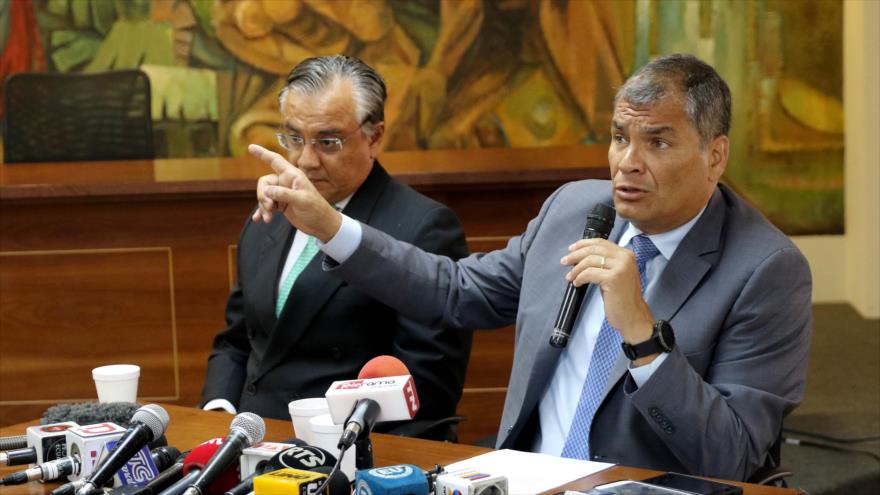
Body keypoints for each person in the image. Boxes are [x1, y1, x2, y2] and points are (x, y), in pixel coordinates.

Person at [248, 54, 812, 480]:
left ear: (715, 155)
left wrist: (644, 337)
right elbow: (454, 290)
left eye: (658, 143)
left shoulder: (766, 270)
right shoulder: (574, 210)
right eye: (620, 137)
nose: (628, 163)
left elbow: (732, 456)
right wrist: (328, 225)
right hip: (521, 478)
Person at [201, 55, 473, 441]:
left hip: (345, 448)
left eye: (328, 142)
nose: (306, 160)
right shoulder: (269, 216)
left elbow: (427, 388)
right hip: (249, 440)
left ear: (374, 136)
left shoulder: (423, 227)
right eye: (295, 138)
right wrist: (219, 410)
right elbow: (237, 340)